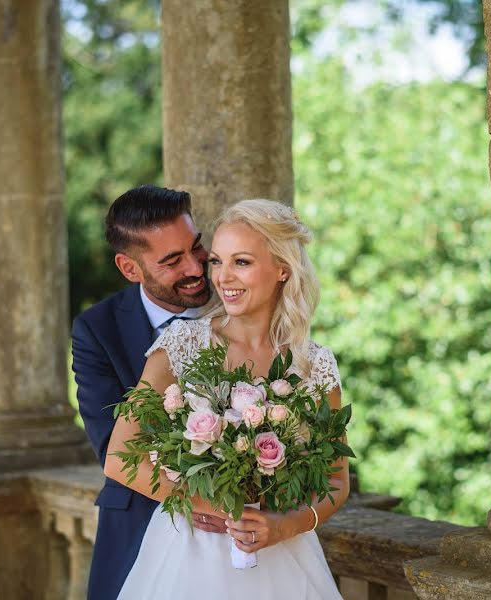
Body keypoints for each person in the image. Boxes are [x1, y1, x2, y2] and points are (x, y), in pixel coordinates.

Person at [104, 199, 348, 599]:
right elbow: (118, 459)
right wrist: (211, 505)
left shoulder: (313, 363)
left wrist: (284, 525)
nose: (222, 276)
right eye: (217, 261)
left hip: (281, 559)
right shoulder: (181, 344)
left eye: (242, 262)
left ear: (283, 269)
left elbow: (337, 481)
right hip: (187, 557)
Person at [71, 185, 225, 600]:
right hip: (139, 524)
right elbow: (114, 450)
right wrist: (210, 503)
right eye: (172, 261)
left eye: (196, 248)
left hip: (241, 537)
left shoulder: (240, 305)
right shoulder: (96, 329)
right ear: (130, 268)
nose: (196, 267)